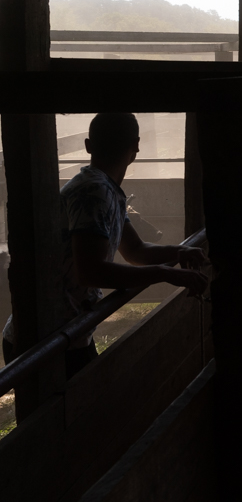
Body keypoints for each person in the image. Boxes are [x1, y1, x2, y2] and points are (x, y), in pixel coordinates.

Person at [2, 112, 208, 378]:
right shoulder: (95, 193)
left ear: (88, 146)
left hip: (65, 332)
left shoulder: (103, 189)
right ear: (136, 146)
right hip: (49, 338)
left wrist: (179, 252)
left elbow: (136, 251)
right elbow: (91, 272)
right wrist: (166, 273)